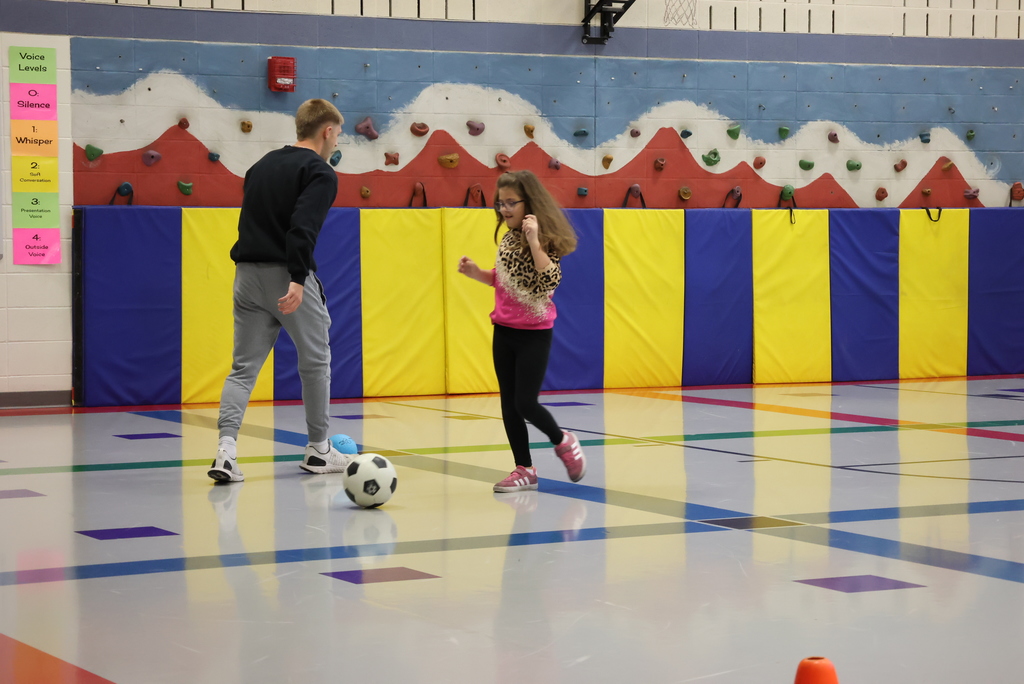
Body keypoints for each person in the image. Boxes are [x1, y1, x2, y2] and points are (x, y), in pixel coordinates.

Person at [208, 99, 350, 483]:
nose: (338, 140)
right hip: (285, 274)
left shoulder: (260, 166)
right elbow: (303, 226)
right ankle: (319, 451)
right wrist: (297, 278)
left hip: (246, 276)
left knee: (242, 370)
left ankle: (226, 452)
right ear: (327, 131)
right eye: (338, 132)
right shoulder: (321, 172)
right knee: (316, 360)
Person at [457, 170, 587, 493]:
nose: (504, 209)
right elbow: (503, 280)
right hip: (503, 330)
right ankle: (524, 468)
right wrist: (477, 274)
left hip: (533, 334)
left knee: (526, 402)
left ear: (529, 202)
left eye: (511, 202)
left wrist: (533, 239)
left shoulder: (543, 237)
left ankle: (563, 440)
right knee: (508, 403)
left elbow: (549, 280)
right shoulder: (508, 239)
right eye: (500, 203)